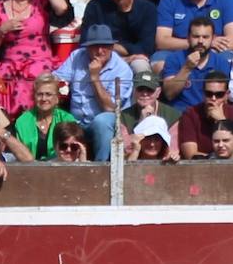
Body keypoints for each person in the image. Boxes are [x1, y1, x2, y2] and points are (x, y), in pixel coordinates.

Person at [0, 0, 73, 113]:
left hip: (40, 62)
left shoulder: (42, 2)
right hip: (10, 64)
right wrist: (2, 30)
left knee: (35, 77)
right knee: (0, 78)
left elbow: (62, 8)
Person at [54, 23, 132, 161]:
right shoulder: (77, 56)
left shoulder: (122, 70)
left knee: (101, 121)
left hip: (107, 121)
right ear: (87, 47)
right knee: (57, 117)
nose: (100, 50)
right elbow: (57, 78)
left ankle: (99, 167)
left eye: (105, 46)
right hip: (76, 120)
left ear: (112, 47)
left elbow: (110, 108)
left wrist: (95, 77)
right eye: (95, 46)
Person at [80, 0, 158, 73]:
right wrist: (118, 52)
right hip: (99, 56)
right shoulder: (95, 5)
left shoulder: (147, 8)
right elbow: (86, 40)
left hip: (134, 58)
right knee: (79, 57)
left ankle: (142, 91)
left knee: (140, 65)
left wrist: (120, 54)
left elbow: (146, 47)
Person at [157, 16, 232, 110]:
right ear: (188, 37)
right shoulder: (174, 59)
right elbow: (169, 94)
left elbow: (225, 97)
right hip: (180, 114)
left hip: (210, 112)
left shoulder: (221, 63)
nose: (200, 41)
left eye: (205, 37)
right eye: (196, 36)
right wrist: (186, 68)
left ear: (213, 39)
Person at [178, 68, 233, 156]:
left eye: (219, 95)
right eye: (209, 94)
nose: (213, 98)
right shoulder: (190, 114)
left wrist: (223, 121)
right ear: (203, 93)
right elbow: (191, 155)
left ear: (227, 95)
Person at [11, 73, 76, 160]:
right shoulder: (22, 121)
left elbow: (72, 152)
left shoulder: (67, 119)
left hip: (60, 167)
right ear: (34, 97)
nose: (44, 99)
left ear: (57, 98)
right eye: (39, 94)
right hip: (28, 168)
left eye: (48, 94)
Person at [120, 69, 181, 153]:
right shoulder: (123, 116)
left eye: (150, 90)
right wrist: (141, 123)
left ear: (158, 92)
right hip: (133, 162)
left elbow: (173, 149)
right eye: (140, 89)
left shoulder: (172, 115)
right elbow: (125, 149)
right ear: (134, 91)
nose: (145, 94)